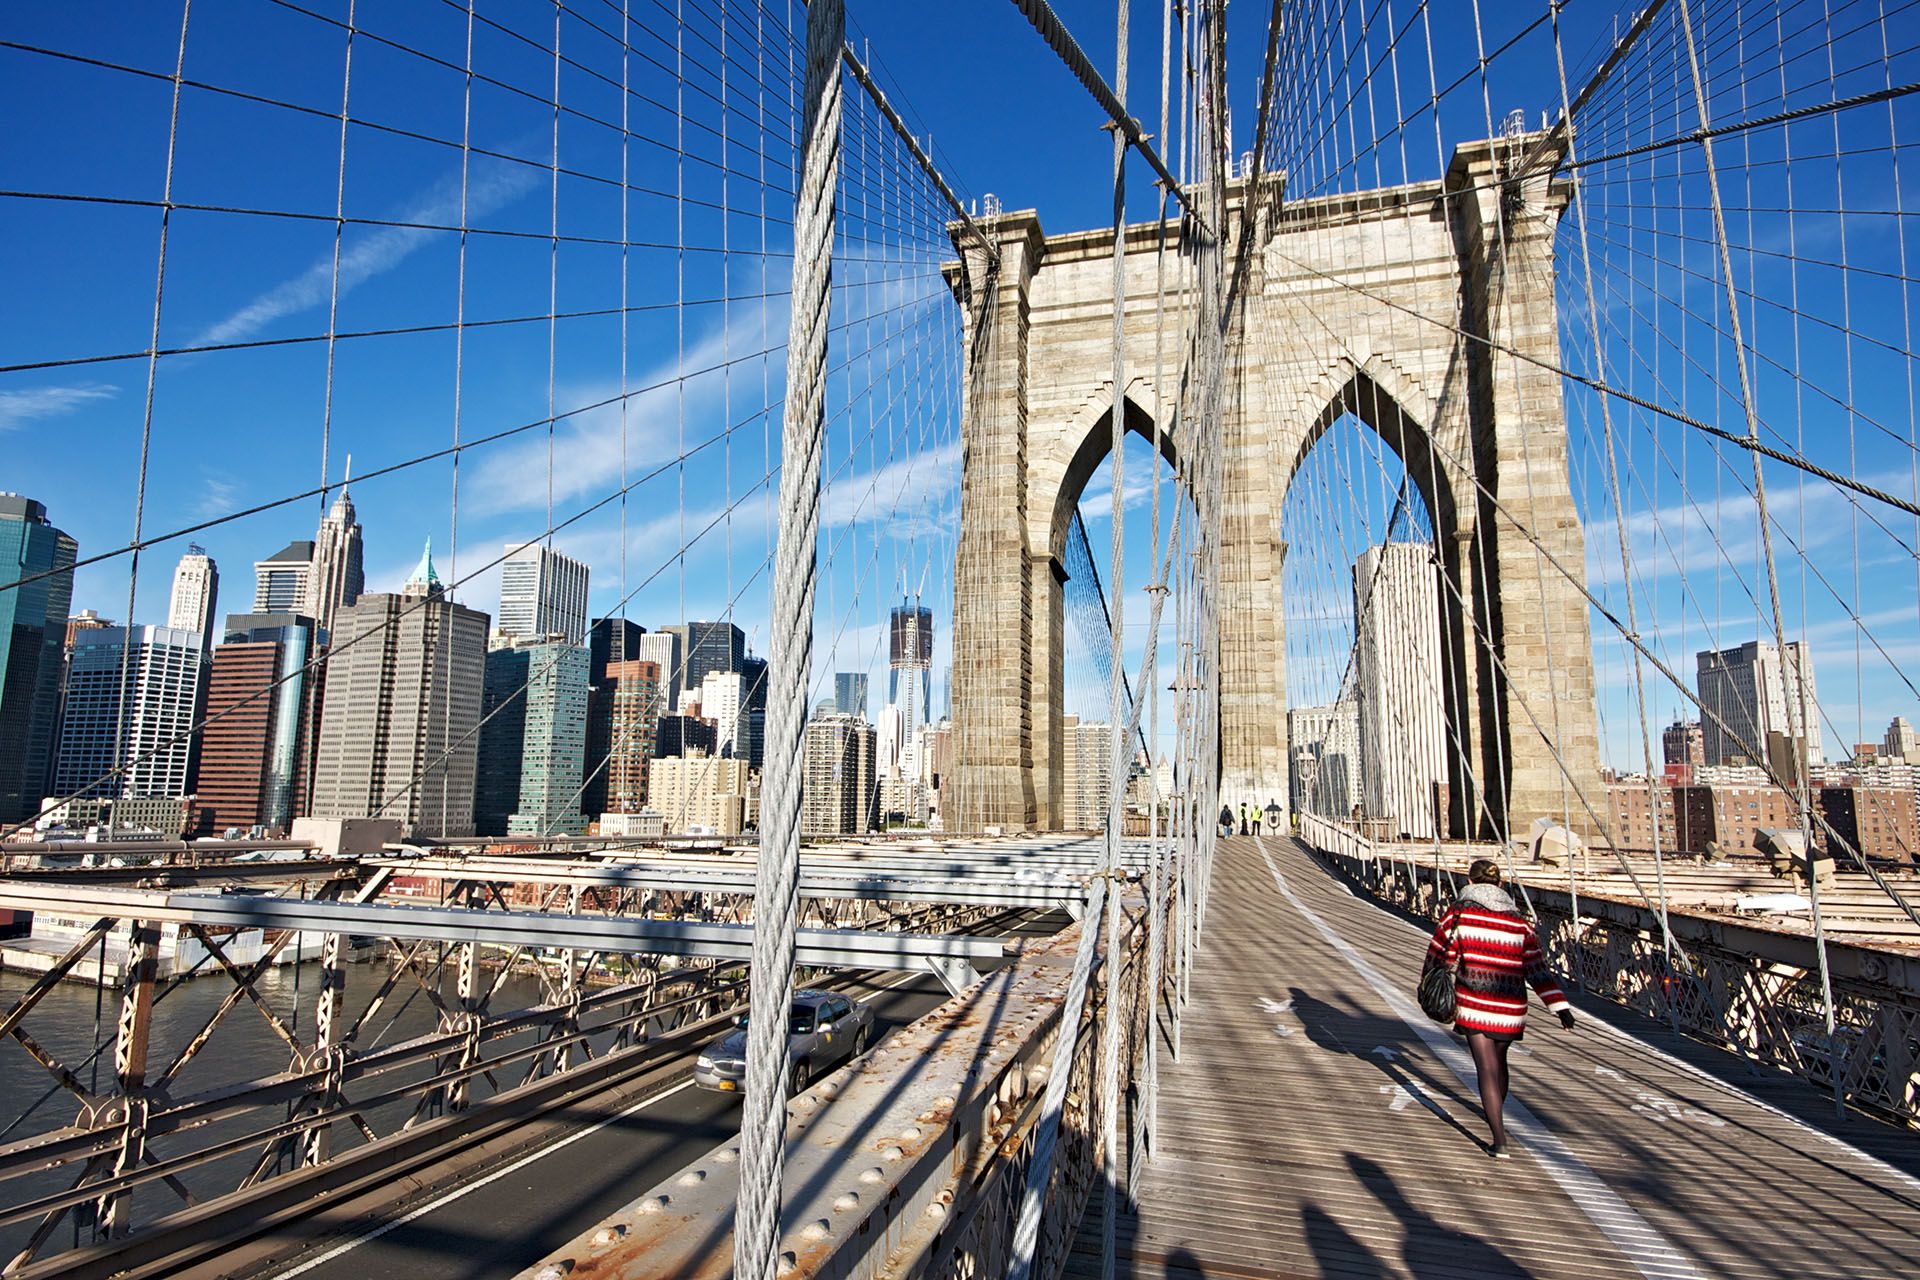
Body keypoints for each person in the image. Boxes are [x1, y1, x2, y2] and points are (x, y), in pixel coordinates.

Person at [1422, 859, 1574, 1158]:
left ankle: (1499, 1139)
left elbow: (1440, 955)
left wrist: (1427, 988)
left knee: (1485, 1069)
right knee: (1499, 1064)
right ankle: (1497, 1116)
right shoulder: (1520, 922)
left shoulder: (1459, 914)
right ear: (1501, 885)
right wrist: (1560, 1008)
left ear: (1469, 883)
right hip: (1511, 1007)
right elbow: (1537, 969)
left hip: (1474, 1003)